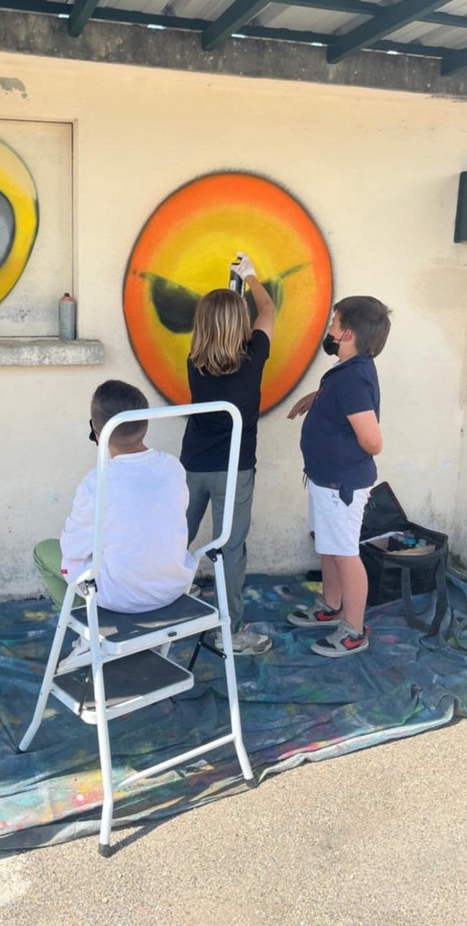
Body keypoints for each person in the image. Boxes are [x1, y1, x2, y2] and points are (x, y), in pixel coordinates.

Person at [33, 380, 198, 669]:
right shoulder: (173, 466)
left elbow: (72, 548)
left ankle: (88, 635)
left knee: (44, 552)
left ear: (97, 433)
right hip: (173, 586)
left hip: (120, 596)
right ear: (145, 423)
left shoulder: (97, 481)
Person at [179, 253, 275, 657]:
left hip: (192, 466)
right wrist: (251, 277)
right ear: (240, 325)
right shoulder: (253, 357)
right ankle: (229, 632)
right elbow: (267, 310)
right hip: (235, 469)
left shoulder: (194, 361)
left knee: (175, 538)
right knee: (230, 549)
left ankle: (162, 606)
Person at [286, 296, 391, 658]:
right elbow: (344, 397)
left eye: (334, 322)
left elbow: (373, 442)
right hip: (325, 479)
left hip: (340, 486)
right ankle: (330, 606)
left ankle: (353, 629)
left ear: (347, 334)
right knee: (329, 545)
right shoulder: (348, 370)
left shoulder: (352, 378)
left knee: (345, 553)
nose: (329, 329)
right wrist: (317, 397)